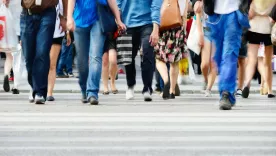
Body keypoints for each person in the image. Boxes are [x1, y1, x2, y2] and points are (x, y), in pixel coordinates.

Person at [193, 0, 250, 110]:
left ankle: (226, 93)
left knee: (229, 53)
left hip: (234, 12)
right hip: (214, 14)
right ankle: (228, 91)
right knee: (218, 57)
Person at [67, 0, 126, 105]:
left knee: (95, 56)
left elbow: (111, 1)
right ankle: (84, 89)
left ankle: (92, 92)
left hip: (98, 19)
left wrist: (118, 19)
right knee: (82, 61)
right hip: (80, 21)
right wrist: (69, 18)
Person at [20, 0, 67, 104]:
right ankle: (34, 85)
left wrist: (64, 17)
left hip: (48, 13)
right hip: (27, 14)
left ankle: (39, 92)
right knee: (29, 56)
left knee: (42, 51)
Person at [117, 0, 162, 101]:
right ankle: (130, 85)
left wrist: (155, 29)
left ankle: (147, 88)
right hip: (127, 22)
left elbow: (156, 5)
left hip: (148, 22)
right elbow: (117, 3)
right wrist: (118, 21)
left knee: (147, 52)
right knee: (127, 57)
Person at [155, 0, 189, 100]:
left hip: (162, 27)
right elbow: (185, 13)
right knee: (175, 61)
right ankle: (172, 91)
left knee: (159, 58)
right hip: (177, 27)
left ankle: (166, 80)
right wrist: (183, 31)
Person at [242, 0, 276, 99]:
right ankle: (269, 90)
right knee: (267, 62)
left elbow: (247, 8)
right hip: (268, 28)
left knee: (252, 59)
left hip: (254, 26)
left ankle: (247, 83)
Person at [47, 0, 69, 101]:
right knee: (40, 60)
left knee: (52, 63)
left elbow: (65, 11)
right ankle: (37, 89)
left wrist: (67, 32)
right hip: (41, 28)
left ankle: (49, 92)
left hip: (57, 30)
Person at [194, 1, 217, 97]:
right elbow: (198, 17)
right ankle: (205, 79)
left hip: (218, 32)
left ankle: (208, 88)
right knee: (204, 64)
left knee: (213, 62)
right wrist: (200, 34)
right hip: (206, 31)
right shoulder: (200, 2)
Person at [236, 29, 248, 96]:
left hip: (242, 30)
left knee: (241, 59)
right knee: (229, 60)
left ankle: (240, 88)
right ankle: (228, 88)